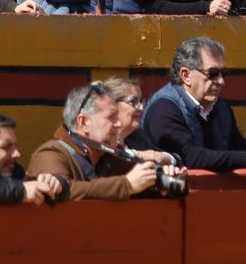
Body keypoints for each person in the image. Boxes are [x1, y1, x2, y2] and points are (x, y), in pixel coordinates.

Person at [134, 37, 246, 173]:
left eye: (223, 73)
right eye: (213, 73)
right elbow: (189, 156)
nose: (221, 81)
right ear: (186, 75)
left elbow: (238, 147)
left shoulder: (221, 107)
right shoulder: (164, 108)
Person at [27, 83, 162, 198]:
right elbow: (62, 190)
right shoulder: (51, 154)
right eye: (111, 117)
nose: (119, 124)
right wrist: (126, 185)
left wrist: (162, 178)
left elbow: (140, 180)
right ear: (84, 122)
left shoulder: (110, 157)